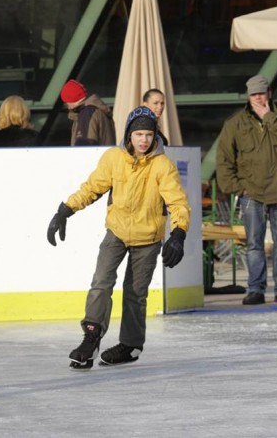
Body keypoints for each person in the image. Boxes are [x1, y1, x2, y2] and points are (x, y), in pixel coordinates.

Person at [47, 106, 190, 368]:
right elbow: (92, 188)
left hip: (148, 238)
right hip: (117, 232)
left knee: (135, 293)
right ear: (129, 135)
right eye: (139, 134)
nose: (144, 140)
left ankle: (131, 345)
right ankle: (91, 337)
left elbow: (177, 202)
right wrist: (65, 210)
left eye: (148, 134)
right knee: (101, 282)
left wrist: (179, 233)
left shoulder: (162, 165)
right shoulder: (114, 158)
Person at [216, 74, 277, 305]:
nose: (258, 98)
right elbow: (224, 160)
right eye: (254, 94)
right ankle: (255, 289)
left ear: (269, 93)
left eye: (262, 93)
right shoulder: (234, 124)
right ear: (248, 97)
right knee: (254, 244)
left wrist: (268, 117)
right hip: (251, 193)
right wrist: (237, 188)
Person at [60, 79, 116, 146]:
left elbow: (84, 146)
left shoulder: (87, 113)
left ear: (71, 99)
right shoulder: (100, 111)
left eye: (66, 102)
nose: (67, 106)